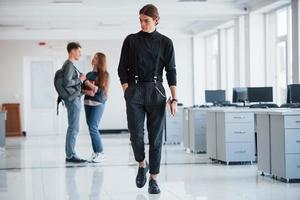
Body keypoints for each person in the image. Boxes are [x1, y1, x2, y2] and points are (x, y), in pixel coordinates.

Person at [118, 4, 178, 194]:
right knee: (136, 134)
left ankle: (153, 178)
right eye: (140, 20)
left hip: (156, 91)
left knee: (156, 138)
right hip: (134, 91)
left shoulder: (166, 43)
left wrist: (174, 98)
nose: (142, 24)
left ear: (156, 21)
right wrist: (127, 90)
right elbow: (122, 68)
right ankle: (141, 164)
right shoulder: (131, 40)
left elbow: (171, 71)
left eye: (147, 21)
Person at [82, 52, 109, 163]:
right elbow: (83, 89)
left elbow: (101, 91)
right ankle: (96, 152)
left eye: (97, 58)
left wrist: (87, 83)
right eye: (94, 57)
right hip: (87, 103)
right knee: (91, 128)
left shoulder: (104, 75)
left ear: (101, 61)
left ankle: (100, 152)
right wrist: (86, 87)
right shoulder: (88, 74)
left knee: (93, 127)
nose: (94, 59)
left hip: (98, 104)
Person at [63, 42, 87, 163]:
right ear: (72, 51)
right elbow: (67, 83)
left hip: (73, 99)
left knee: (73, 127)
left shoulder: (70, 65)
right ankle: (70, 155)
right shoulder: (69, 65)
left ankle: (70, 154)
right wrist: (80, 79)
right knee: (74, 128)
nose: (80, 54)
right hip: (73, 100)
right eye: (79, 51)